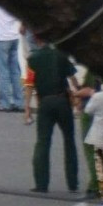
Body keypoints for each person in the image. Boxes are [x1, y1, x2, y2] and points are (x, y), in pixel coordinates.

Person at [25, 37, 79, 192]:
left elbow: (29, 85)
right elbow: (73, 77)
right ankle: (72, 182)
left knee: (43, 142)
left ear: (36, 40)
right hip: (62, 101)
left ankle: (41, 184)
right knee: (69, 141)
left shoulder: (33, 59)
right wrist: (77, 95)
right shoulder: (61, 55)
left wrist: (27, 107)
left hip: (45, 103)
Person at [0, 0, 25, 112]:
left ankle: (5, 102)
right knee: (15, 71)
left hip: (1, 36)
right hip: (14, 35)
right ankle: (19, 102)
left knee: (2, 70)